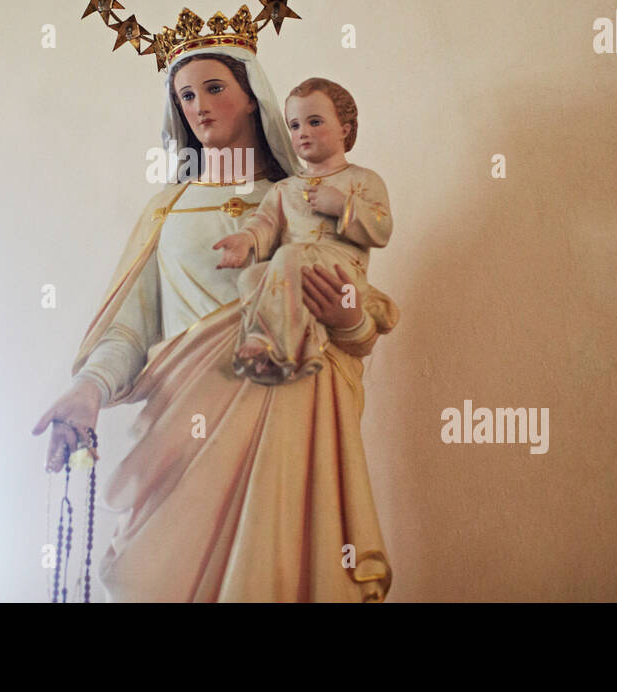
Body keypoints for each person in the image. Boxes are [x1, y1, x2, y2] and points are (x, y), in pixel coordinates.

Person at [31, 45, 399, 601]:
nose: (198, 106)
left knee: (276, 570)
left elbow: (358, 323)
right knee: (146, 577)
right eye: (185, 95)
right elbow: (131, 327)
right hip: (183, 415)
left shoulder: (304, 198)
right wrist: (89, 388)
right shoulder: (167, 210)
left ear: (252, 98)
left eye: (215, 88)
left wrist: (347, 317)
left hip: (292, 403)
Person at [214, 77, 392, 386]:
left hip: (339, 276)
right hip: (291, 268)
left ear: (345, 129)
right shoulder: (285, 189)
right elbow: (266, 222)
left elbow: (382, 229)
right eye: (294, 126)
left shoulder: (362, 180)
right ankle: (301, 342)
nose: (303, 133)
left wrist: (343, 206)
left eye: (315, 122)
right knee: (250, 278)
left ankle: (272, 347)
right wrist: (246, 240)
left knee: (289, 255)